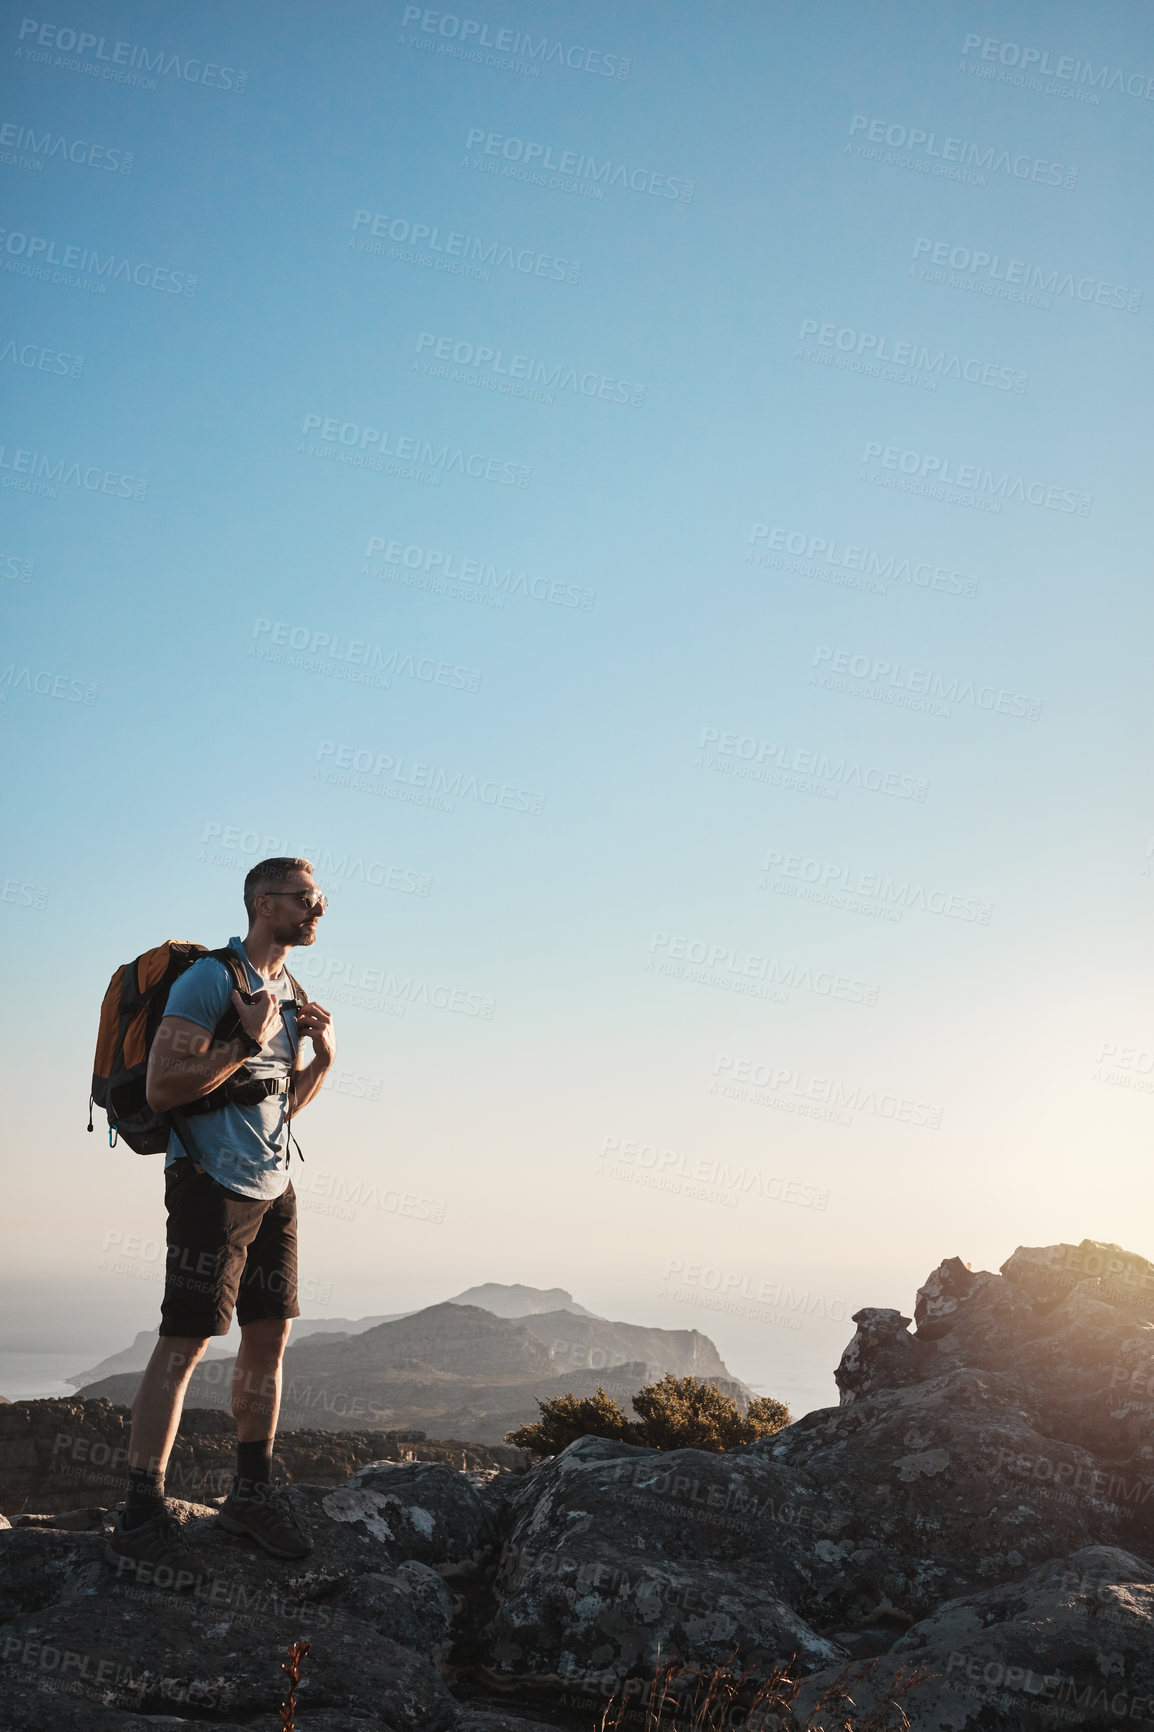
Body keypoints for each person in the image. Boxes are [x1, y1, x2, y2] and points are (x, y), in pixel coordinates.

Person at [106, 856, 335, 1585]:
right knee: (186, 1342)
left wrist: (319, 1059)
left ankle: (250, 1494)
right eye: (305, 898)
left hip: (273, 1187)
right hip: (209, 1185)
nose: (317, 909)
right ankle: (141, 1512)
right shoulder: (213, 980)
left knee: (268, 1339)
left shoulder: (288, 989)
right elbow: (166, 1085)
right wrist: (244, 1039)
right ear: (264, 903)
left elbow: (272, 1106)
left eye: (318, 898)